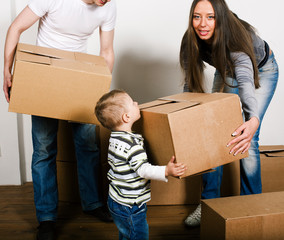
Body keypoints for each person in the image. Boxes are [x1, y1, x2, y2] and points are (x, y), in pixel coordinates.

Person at [3, 0, 116, 239]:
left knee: (88, 146)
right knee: (44, 150)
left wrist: (101, 85)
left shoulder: (108, 6)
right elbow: (15, 27)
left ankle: (93, 203)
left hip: (79, 77)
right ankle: (46, 218)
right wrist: (7, 69)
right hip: (45, 76)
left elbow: (106, 51)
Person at [179, 0, 279, 227]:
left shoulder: (236, 38)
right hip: (227, 68)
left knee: (248, 137)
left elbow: (245, 82)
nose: (202, 24)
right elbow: (189, 85)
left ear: (221, 17)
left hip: (262, 71)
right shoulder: (190, 40)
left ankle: (251, 206)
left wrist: (252, 119)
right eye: (197, 16)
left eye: (210, 17)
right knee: (213, 134)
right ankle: (208, 205)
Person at [95, 89, 187, 240]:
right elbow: (143, 170)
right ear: (127, 117)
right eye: (133, 103)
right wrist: (166, 170)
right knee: (138, 234)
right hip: (130, 205)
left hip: (116, 199)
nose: (137, 103)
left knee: (126, 233)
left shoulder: (115, 138)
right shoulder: (132, 146)